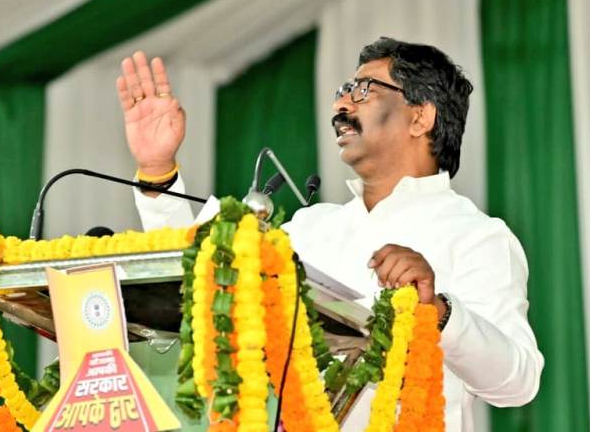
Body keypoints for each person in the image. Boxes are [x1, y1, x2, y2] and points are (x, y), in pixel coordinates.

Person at [114, 38, 543, 432]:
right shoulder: (310, 228)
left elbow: (518, 382)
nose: (340, 103)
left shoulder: (477, 236)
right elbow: (207, 273)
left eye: (363, 90)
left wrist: (440, 311)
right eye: (344, 89)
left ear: (420, 116)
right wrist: (158, 172)